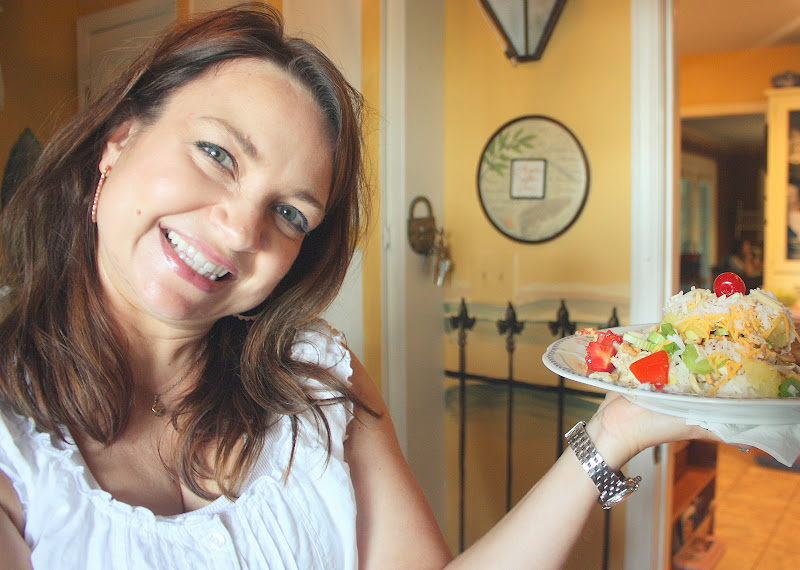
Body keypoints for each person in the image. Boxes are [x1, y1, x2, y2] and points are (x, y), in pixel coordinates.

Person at [0, 5, 714, 568]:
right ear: (120, 140)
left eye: (289, 213)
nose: (241, 229)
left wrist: (612, 436)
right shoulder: (13, 442)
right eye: (217, 153)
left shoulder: (316, 378)